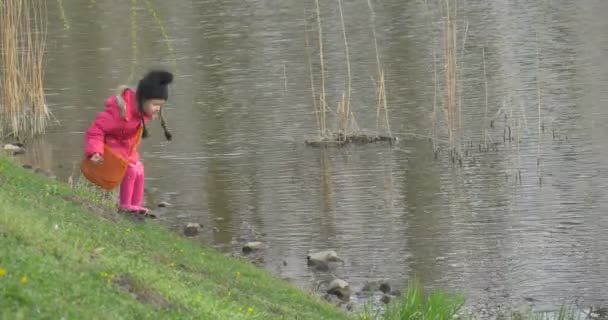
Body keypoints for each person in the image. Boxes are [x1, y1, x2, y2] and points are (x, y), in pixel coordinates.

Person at [83, 69, 174, 217]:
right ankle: (125, 206)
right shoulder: (119, 113)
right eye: (155, 104)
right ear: (143, 99)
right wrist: (95, 151)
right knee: (131, 169)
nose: (158, 109)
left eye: (160, 105)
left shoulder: (141, 114)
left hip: (124, 152)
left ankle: (136, 206)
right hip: (107, 152)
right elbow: (95, 131)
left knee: (139, 169)